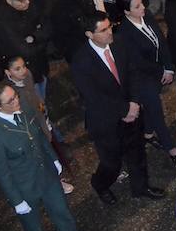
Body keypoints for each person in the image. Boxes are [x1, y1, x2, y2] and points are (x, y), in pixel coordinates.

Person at [0, 82, 91, 231]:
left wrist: (54, 159)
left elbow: (39, 137)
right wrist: (16, 201)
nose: (16, 101)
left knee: (61, 210)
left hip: (46, 174)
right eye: (10, 101)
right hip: (24, 186)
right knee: (33, 224)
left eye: (15, 96)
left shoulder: (24, 110)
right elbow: (2, 173)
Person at [70, 12, 165, 205]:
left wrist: (135, 102)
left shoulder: (119, 43)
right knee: (111, 163)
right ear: (90, 34)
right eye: (103, 30)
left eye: (110, 26)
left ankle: (141, 188)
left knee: (137, 152)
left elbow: (133, 73)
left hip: (132, 110)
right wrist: (125, 110)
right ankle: (100, 184)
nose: (109, 32)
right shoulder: (81, 61)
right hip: (106, 122)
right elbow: (94, 97)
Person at [116, 0, 176, 170]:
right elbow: (137, 62)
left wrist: (168, 66)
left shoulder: (148, 16)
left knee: (153, 108)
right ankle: (173, 151)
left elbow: (161, 41)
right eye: (137, 6)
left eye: (141, 3)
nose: (143, 7)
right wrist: (162, 70)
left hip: (158, 72)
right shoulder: (124, 33)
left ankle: (146, 133)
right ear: (127, 12)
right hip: (141, 79)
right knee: (156, 112)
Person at [0, 54, 73, 193]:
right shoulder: (9, 92)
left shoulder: (27, 76)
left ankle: (57, 177)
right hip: (30, 127)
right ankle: (55, 183)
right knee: (42, 155)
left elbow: (34, 94)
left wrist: (42, 110)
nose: (23, 71)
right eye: (17, 69)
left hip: (40, 118)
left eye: (23, 66)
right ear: (8, 72)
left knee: (52, 150)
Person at [0, 0, 51, 98]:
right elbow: (23, 50)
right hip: (25, 70)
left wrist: (34, 38)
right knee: (34, 98)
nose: (27, 2)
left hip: (39, 63)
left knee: (42, 90)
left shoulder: (30, 6)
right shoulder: (3, 22)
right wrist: (41, 40)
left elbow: (48, 26)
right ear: (9, 1)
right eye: (22, 0)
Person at [50, 0, 100, 64]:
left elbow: (91, 15)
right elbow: (76, 28)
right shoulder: (62, 5)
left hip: (89, 40)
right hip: (75, 47)